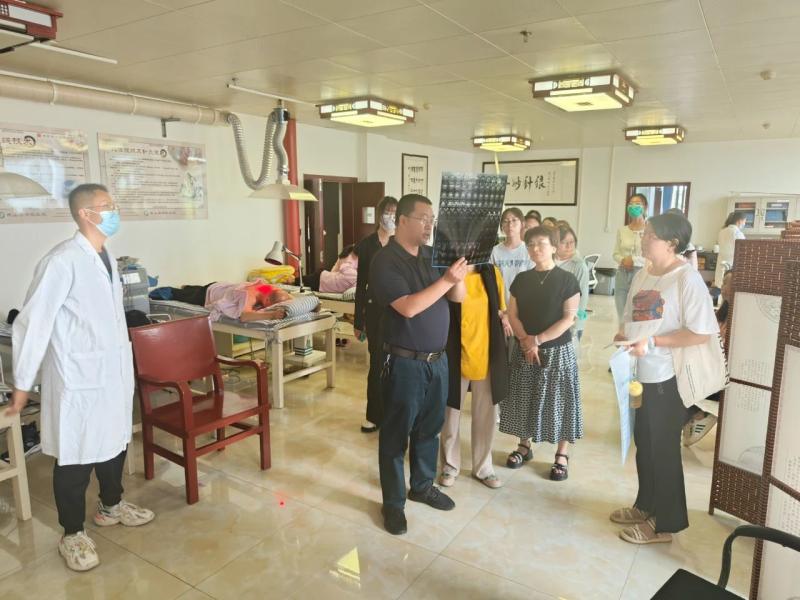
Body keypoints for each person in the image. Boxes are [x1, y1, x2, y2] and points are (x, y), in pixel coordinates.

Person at [7, 183, 154, 572]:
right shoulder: (62, 261)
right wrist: (22, 384)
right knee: (76, 454)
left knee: (114, 442)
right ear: (85, 214)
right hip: (79, 376)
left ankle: (111, 506)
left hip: (111, 372)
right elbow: (32, 324)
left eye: (113, 204)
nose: (114, 211)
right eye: (106, 206)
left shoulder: (106, 257)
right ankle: (71, 533)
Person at [610, 212, 719, 544]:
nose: (643, 238)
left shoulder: (686, 279)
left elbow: (701, 332)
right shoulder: (644, 274)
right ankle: (646, 505)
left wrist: (654, 342)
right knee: (644, 443)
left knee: (664, 450)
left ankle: (665, 524)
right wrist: (624, 335)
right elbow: (631, 317)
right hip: (639, 375)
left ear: (672, 243)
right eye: (645, 233)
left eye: (650, 235)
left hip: (667, 378)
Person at [369, 193, 467, 535]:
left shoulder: (431, 255)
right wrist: (446, 280)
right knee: (396, 437)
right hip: (403, 363)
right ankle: (393, 504)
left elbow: (457, 297)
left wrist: (458, 274)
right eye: (423, 218)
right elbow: (408, 307)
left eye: (432, 219)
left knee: (429, 429)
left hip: (437, 361)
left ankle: (422, 486)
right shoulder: (385, 261)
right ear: (402, 220)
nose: (429, 225)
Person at [500, 226, 582, 482]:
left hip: (557, 350)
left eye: (542, 243)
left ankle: (561, 454)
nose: (535, 248)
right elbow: (512, 314)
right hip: (525, 348)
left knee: (561, 400)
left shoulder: (567, 280)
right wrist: (526, 341)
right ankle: (524, 446)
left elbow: (568, 319)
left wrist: (537, 340)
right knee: (524, 396)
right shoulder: (522, 279)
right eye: (531, 244)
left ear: (554, 247)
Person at [440, 263, 509, 490]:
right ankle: (450, 465)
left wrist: (506, 318)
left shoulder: (491, 273)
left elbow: (500, 309)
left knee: (486, 414)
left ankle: (484, 467)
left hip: (486, 352)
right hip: (454, 352)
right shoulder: (447, 272)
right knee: (451, 412)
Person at [354, 195, 398, 433]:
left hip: (398, 310)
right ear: (379, 214)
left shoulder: (401, 243)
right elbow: (361, 285)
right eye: (387, 211)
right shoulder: (368, 244)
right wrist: (358, 320)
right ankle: (373, 415)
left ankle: (393, 414)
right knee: (377, 363)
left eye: (394, 212)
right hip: (374, 311)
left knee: (397, 366)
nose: (390, 216)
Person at [683, 268, 733, 446]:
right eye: (724, 282)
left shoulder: (741, 318)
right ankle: (696, 414)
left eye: (728, 283)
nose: (723, 287)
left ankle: (700, 414)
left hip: (721, 373)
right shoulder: (721, 314)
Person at [613, 194, 648, 323]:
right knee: (621, 312)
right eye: (631, 203)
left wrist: (634, 260)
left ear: (645, 207)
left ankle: (637, 336)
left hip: (641, 273)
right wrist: (623, 260)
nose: (633, 206)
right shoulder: (622, 230)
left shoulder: (650, 230)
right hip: (622, 274)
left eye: (637, 203)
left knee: (638, 313)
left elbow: (652, 256)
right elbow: (615, 253)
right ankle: (623, 334)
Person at [555, 223, 590, 342]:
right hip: (551, 320)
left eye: (572, 242)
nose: (569, 246)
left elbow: (582, 296)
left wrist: (576, 325)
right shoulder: (548, 261)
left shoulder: (579, 265)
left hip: (570, 322)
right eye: (564, 242)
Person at [491, 207, 533, 305]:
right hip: (501, 304)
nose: (510, 225)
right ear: (501, 226)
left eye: (514, 220)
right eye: (506, 221)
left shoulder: (529, 250)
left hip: (524, 304)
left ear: (522, 224)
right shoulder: (494, 251)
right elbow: (491, 281)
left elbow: (533, 281)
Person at [204, 282, 293, 321]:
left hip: (221, 286)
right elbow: (244, 316)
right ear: (267, 300)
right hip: (206, 293)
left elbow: (287, 297)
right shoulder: (249, 296)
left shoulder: (269, 289)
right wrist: (272, 315)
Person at [714, 211, 746, 288]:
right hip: (732, 267)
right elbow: (744, 251)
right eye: (745, 221)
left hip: (721, 266)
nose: (744, 224)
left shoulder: (722, 232)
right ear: (740, 221)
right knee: (729, 290)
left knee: (721, 288)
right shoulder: (737, 233)